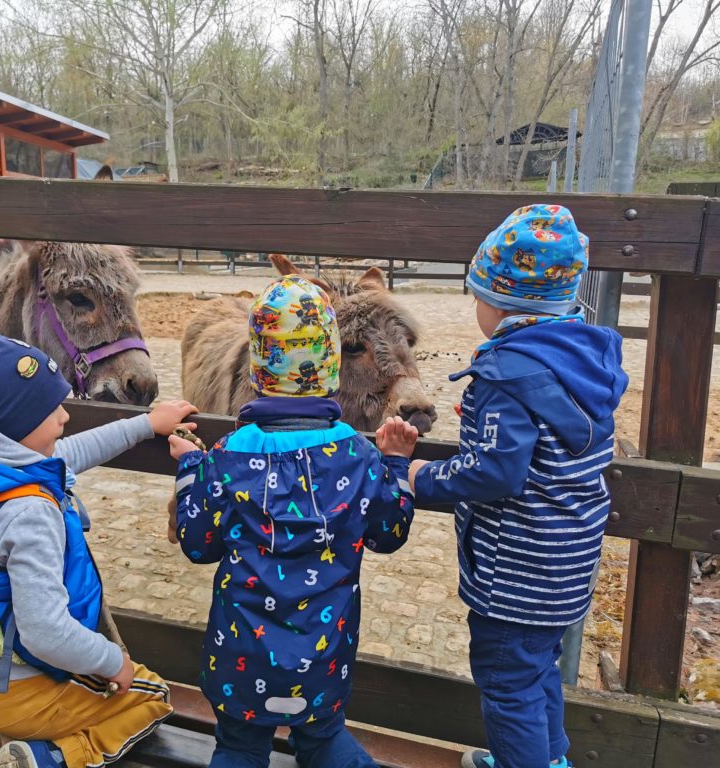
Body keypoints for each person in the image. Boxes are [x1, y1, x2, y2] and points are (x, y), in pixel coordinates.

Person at [0, 330, 197, 768]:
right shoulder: (27, 513)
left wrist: (146, 424)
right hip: (24, 694)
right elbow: (46, 631)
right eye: (49, 408)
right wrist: (114, 662)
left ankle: (2, 744)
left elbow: (66, 453)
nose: (64, 417)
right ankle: (49, 758)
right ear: (12, 426)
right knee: (152, 697)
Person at [407, 205, 629, 768]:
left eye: (476, 294)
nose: (475, 306)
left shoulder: (507, 376)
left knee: (507, 684)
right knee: (537, 671)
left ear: (502, 303)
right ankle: (548, 761)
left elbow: (494, 473)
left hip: (518, 571)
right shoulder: (582, 357)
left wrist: (420, 478)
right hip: (567, 561)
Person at [169, 275, 419, 768]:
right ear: (330, 370)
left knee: (239, 748)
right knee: (324, 740)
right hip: (324, 655)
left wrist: (188, 469)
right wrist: (393, 463)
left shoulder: (226, 457)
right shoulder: (357, 455)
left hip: (240, 657)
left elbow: (197, 544)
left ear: (259, 371)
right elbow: (390, 533)